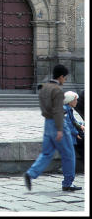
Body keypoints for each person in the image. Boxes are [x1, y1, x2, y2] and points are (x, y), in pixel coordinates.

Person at [24, 64, 82, 192]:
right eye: (65, 78)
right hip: (58, 124)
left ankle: (31, 173)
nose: (65, 80)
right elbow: (58, 111)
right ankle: (68, 183)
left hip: (47, 124)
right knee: (69, 155)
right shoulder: (57, 90)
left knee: (46, 153)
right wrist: (60, 129)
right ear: (61, 76)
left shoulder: (44, 88)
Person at [63, 91, 85, 163]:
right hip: (68, 135)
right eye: (75, 100)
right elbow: (68, 124)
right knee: (82, 142)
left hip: (71, 133)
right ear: (70, 101)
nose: (77, 102)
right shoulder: (65, 110)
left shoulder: (69, 109)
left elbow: (74, 121)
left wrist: (80, 125)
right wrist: (76, 134)